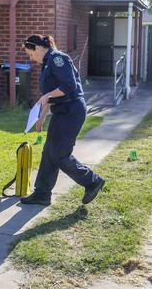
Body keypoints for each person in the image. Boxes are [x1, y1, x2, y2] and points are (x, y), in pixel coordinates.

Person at [20, 34, 105, 206]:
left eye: (30, 54)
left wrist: (47, 96)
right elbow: (50, 96)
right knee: (49, 152)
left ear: (37, 48)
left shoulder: (57, 58)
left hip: (72, 111)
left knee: (59, 154)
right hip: (61, 112)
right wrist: (42, 117)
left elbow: (69, 86)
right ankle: (42, 194)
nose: (31, 58)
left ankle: (92, 181)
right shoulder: (46, 64)